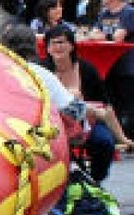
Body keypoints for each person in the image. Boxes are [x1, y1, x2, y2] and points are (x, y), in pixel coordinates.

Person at [42, 24, 131, 183]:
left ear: (71, 45)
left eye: (61, 42)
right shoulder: (42, 71)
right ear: (47, 48)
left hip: (88, 122)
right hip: (54, 126)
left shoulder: (87, 69)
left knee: (104, 142)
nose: (57, 47)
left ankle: (95, 181)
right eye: (52, 43)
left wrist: (122, 137)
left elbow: (106, 106)